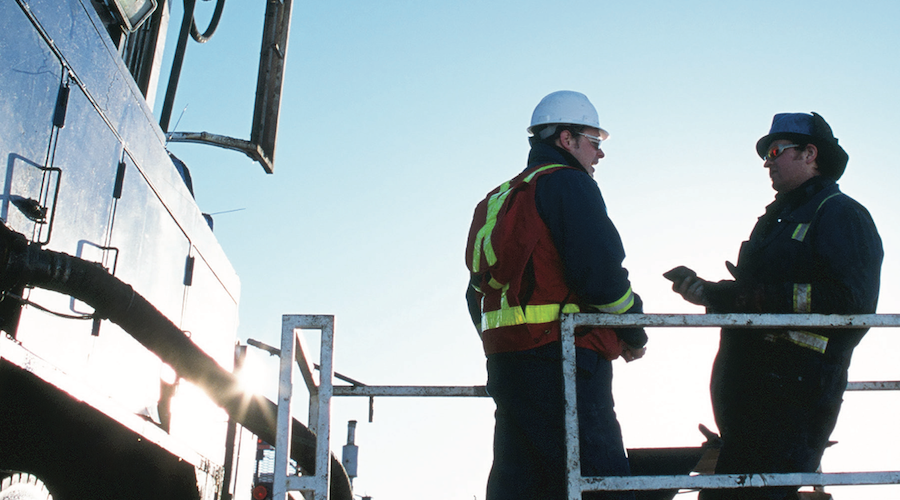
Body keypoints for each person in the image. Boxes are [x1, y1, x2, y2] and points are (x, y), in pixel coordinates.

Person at [668, 112, 883, 500]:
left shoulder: (840, 213)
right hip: (751, 393)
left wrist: (757, 298)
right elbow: (755, 294)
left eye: (775, 151)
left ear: (809, 153)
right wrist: (711, 295)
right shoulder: (776, 220)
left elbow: (850, 302)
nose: (767, 162)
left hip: (795, 394)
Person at [465, 90, 648, 500]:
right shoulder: (568, 183)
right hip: (566, 362)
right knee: (601, 486)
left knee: (522, 487)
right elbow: (601, 278)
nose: (599, 154)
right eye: (594, 141)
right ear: (567, 139)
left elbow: (475, 294)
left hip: (508, 369)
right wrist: (634, 331)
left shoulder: (496, 200)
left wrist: (507, 344)